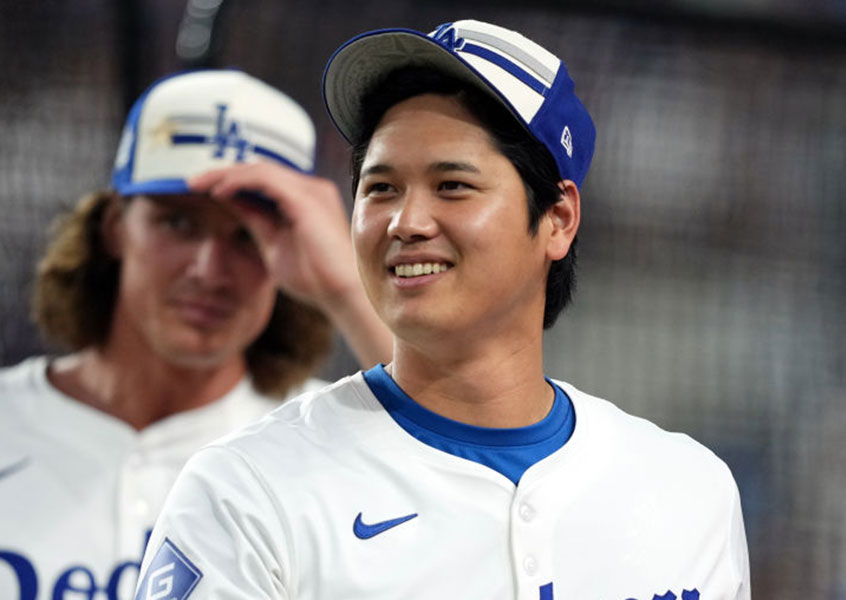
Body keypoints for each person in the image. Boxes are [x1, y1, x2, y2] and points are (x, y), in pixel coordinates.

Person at [135, 20, 750, 600]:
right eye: (380, 189)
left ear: (558, 219)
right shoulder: (247, 490)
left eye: (452, 185)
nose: (406, 222)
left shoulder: (690, 491)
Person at [0, 69, 392, 600]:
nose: (210, 271)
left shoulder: (326, 439)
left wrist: (347, 286)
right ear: (115, 225)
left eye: (248, 236)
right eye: (179, 223)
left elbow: (457, 474)